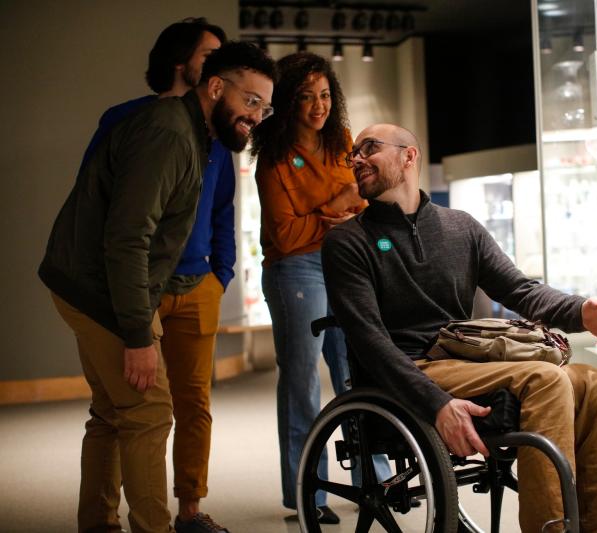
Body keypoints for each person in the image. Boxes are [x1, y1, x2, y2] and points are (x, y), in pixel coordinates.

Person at [321, 123, 597, 533]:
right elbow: (369, 341)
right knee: (546, 379)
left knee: (594, 383)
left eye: (369, 148)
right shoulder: (347, 242)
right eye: (353, 155)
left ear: (408, 156)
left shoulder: (461, 227)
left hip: (467, 358)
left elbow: (520, 290)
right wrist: (435, 404)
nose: (357, 159)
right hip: (414, 367)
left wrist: (582, 313)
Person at [39, 41, 277, 533]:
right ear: (215, 88)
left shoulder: (194, 133)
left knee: (111, 413)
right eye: (251, 101)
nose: (257, 116)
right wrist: (137, 335)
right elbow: (128, 240)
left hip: (90, 281)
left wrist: (217, 275)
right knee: (149, 412)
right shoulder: (169, 133)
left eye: (265, 107)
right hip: (98, 286)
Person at [78, 18, 236, 533]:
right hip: (134, 288)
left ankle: (190, 510)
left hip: (197, 288)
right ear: (179, 61)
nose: (219, 66)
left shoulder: (217, 133)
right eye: (209, 54)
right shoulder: (128, 119)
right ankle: (104, 521)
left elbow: (222, 210)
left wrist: (222, 273)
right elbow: (99, 203)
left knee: (195, 406)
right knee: (124, 411)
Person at [249, 51, 368, 524]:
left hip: (346, 264)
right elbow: (286, 236)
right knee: (301, 381)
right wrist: (334, 206)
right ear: (286, 101)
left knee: (354, 372)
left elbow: (363, 195)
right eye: (305, 97)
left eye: (324, 96)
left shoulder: (341, 140)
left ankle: (372, 480)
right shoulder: (274, 160)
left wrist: (345, 207)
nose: (318, 106)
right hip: (295, 272)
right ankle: (307, 493)